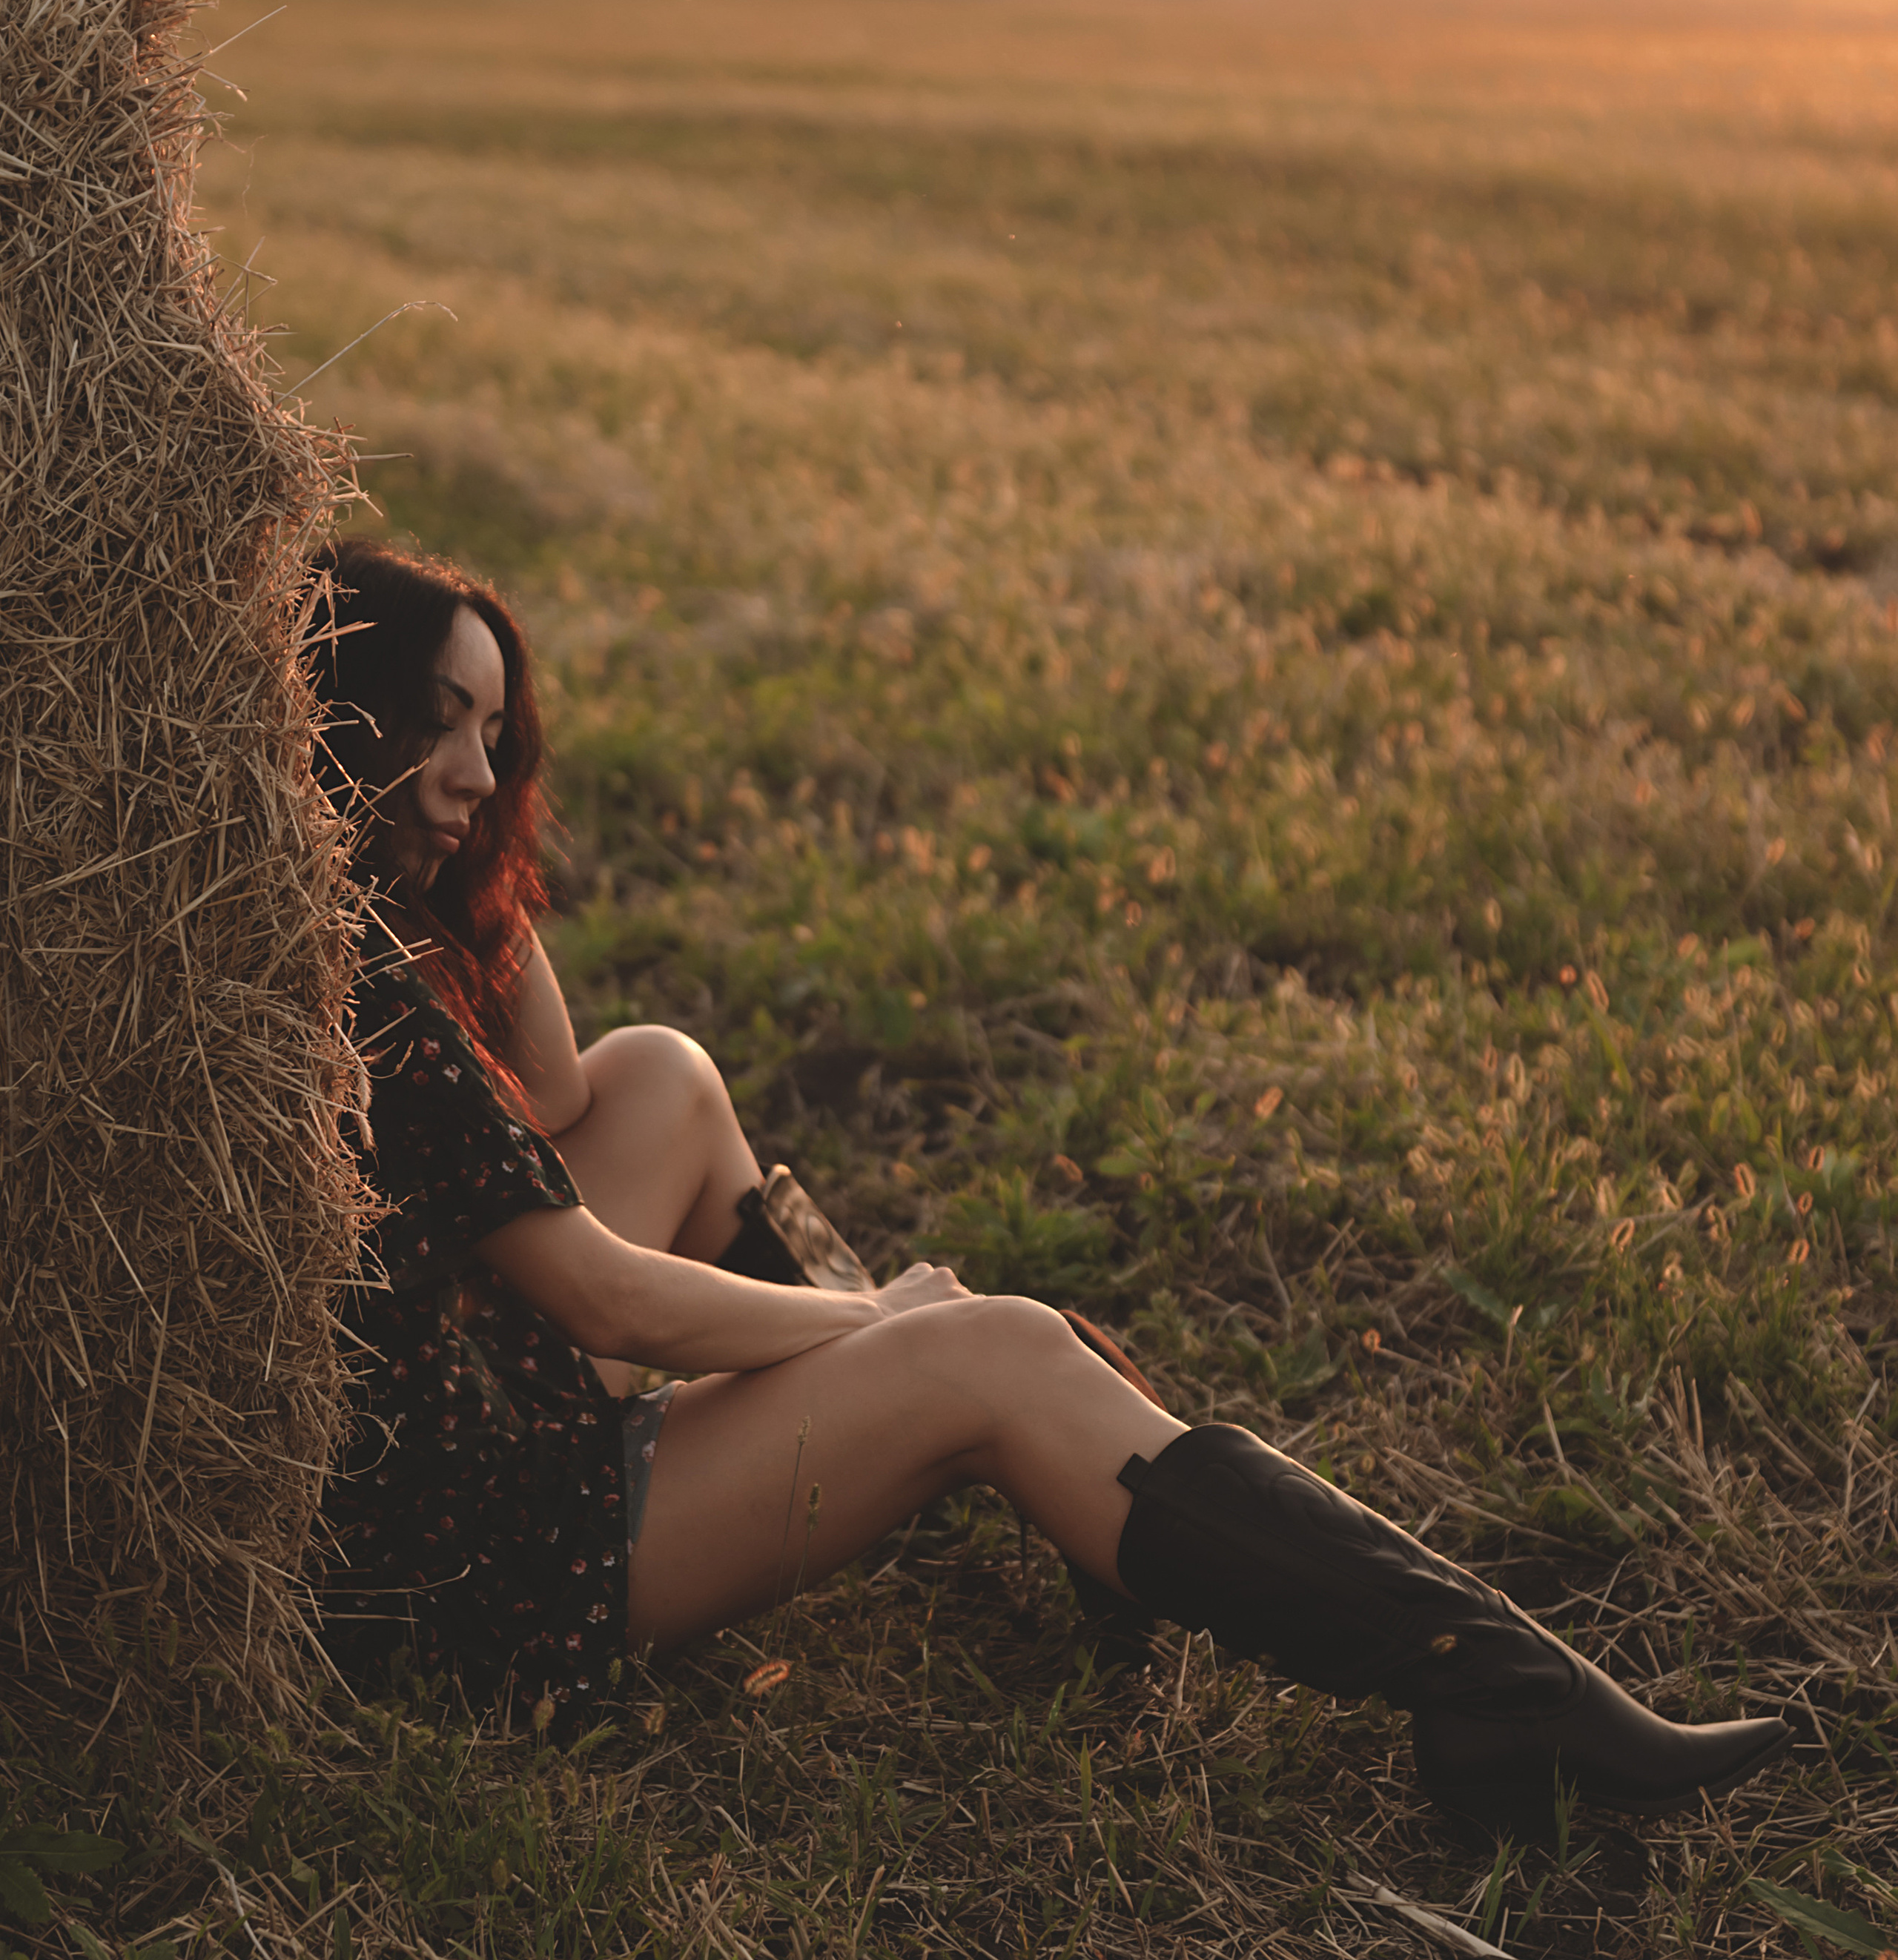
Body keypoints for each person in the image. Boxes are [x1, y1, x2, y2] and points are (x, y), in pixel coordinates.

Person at [311, 537, 1789, 1826]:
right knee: (998, 1348)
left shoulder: (334, 921)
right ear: (335, 709)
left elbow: (563, 1100)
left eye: (498, 733)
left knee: (660, 1074)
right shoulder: (360, 986)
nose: (478, 773)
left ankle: (960, 1433)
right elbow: (604, 1292)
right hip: (505, 1575)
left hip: (484, 1428)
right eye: (440, 725)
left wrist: (465, 859)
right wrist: (881, 1322)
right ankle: (1491, 1688)